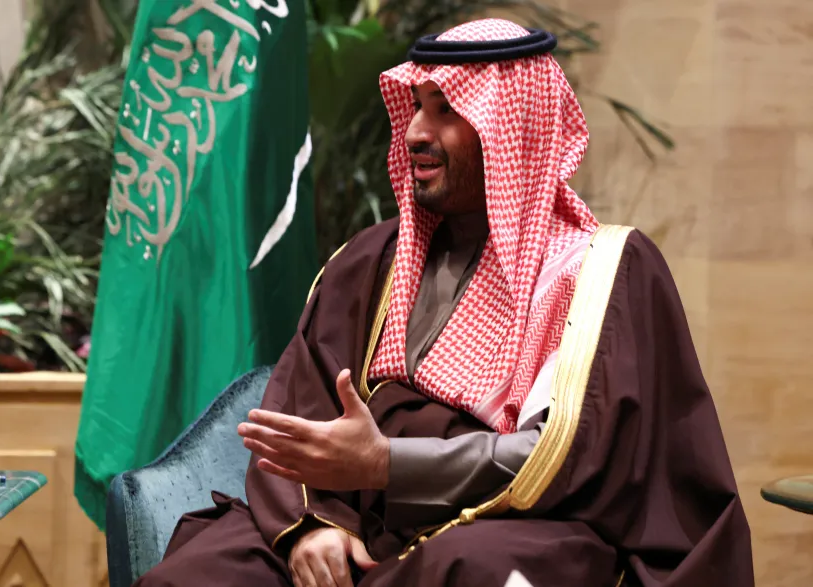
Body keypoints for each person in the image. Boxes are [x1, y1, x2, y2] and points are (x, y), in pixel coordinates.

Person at [135, 19, 754, 587]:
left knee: (473, 569)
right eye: (415, 106)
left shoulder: (599, 272)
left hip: (509, 523)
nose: (414, 133)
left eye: (446, 110)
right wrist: (314, 526)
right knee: (201, 574)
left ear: (512, 128)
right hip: (354, 521)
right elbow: (301, 411)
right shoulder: (370, 261)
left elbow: (567, 455)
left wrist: (388, 463)